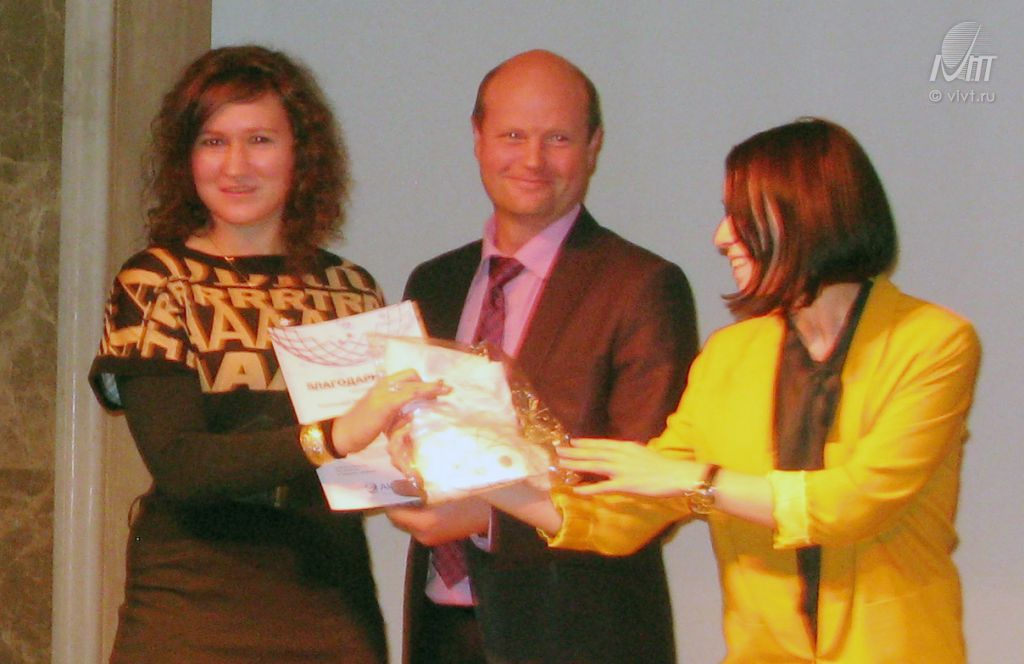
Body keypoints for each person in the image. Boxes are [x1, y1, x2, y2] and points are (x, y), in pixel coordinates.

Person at [468, 118, 982, 662]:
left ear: (809, 213)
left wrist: (697, 480)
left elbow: (853, 503)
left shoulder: (932, 341)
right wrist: (474, 471)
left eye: (742, 216)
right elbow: (623, 517)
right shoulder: (730, 355)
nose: (722, 237)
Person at [89, 45, 446, 663]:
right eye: (213, 141)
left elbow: (379, 465)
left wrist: (446, 449)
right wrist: (331, 437)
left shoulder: (351, 288)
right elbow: (182, 465)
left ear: (301, 154)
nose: (236, 166)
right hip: (192, 602)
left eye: (259, 139)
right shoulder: (156, 281)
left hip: (329, 600)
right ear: (186, 157)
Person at [385, 50, 699, 663]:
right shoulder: (434, 283)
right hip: (442, 633)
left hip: (580, 636)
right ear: (478, 138)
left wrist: (489, 518)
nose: (532, 160)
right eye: (512, 136)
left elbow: (642, 486)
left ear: (593, 146)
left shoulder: (642, 286)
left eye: (557, 138)